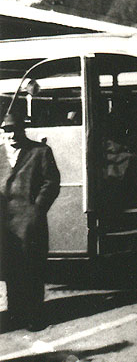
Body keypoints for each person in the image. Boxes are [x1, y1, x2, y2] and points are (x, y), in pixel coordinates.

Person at [0, 108, 60, 332]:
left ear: (23, 130)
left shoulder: (40, 151)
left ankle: (34, 315)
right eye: (7, 130)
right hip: (4, 224)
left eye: (15, 130)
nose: (12, 135)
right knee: (10, 270)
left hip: (29, 221)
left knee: (32, 268)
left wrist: (37, 209)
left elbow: (51, 182)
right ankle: (15, 313)